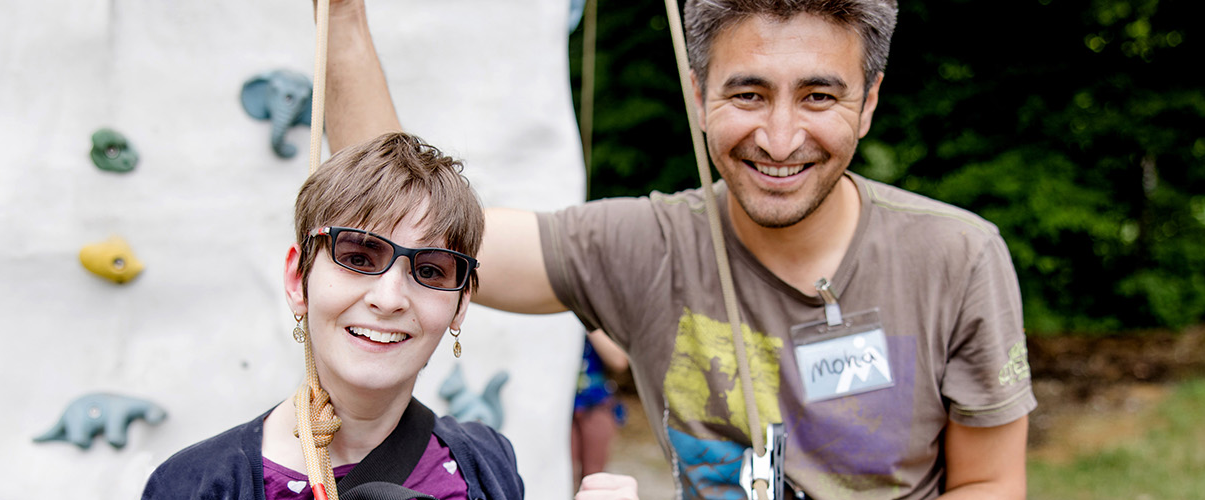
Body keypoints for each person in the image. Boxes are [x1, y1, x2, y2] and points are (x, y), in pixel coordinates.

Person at [328, 0, 1033, 498]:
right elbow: (411, 224)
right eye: (748, 94)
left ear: (869, 102)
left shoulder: (959, 256)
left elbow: (990, 482)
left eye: (819, 97)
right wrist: (344, 20)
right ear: (698, 96)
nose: (780, 139)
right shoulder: (646, 247)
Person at [143, 133, 524, 500]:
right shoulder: (196, 485)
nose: (389, 299)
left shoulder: (486, 463)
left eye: (429, 271)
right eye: (357, 258)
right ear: (298, 279)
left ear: (460, 304)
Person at [571, 330, 630, 482]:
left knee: (594, 476)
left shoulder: (595, 321)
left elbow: (619, 361)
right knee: (563, 474)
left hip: (596, 402)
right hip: (560, 406)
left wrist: (586, 322)